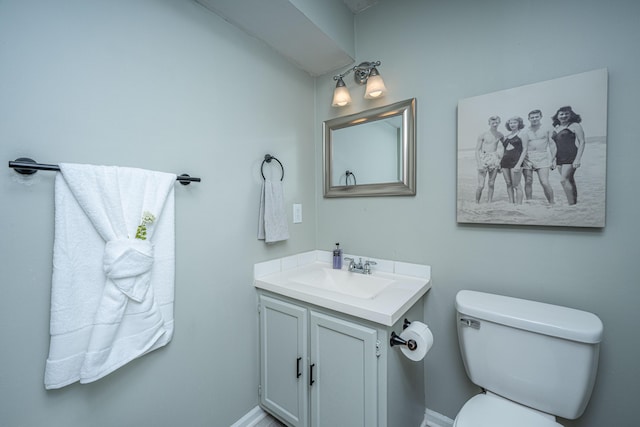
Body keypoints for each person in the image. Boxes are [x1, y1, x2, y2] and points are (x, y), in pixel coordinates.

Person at [551, 106, 586, 205]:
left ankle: (571, 205)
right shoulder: (556, 127)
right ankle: (574, 204)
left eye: (566, 114)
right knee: (569, 180)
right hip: (559, 158)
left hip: (571, 156)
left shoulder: (575, 125)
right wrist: (553, 159)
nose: (564, 116)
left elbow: (582, 142)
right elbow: (554, 146)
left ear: (571, 115)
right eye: (561, 114)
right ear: (557, 116)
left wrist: (578, 159)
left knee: (563, 180)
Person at [522, 110, 555, 204]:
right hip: (528, 157)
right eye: (532, 117)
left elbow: (552, 145)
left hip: (543, 156)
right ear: (528, 119)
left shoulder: (547, 129)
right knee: (528, 181)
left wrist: (553, 159)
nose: (534, 119)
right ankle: (529, 202)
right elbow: (522, 147)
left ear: (540, 117)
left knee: (544, 182)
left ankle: (552, 203)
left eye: (536, 117)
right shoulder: (526, 131)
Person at [475, 116, 504, 203]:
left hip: (494, 158)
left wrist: (501, 160)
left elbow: (506, 146)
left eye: (496, 123)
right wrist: (479, 164)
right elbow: (477, 150)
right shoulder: (483, 134)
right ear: (489, 123)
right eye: (493, 123)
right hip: (484, 158)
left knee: (491, 184)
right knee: (481, 185)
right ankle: (476, 203)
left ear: (499, 123)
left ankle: (489, 203)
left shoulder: (500, 135)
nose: (495, 124)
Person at [500, 116, 528, 204]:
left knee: (516, 185)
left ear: (519, 123)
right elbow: (504, 151)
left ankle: (519, 206)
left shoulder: (522, 134)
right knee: (508, 184)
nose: (512, 124)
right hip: (505, 162)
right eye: (511, 123)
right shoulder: (506, 136)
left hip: (516, 162)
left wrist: (518, 164)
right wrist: (499, 163)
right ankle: (511, 204)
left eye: (514, 122)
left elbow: (525, 150)